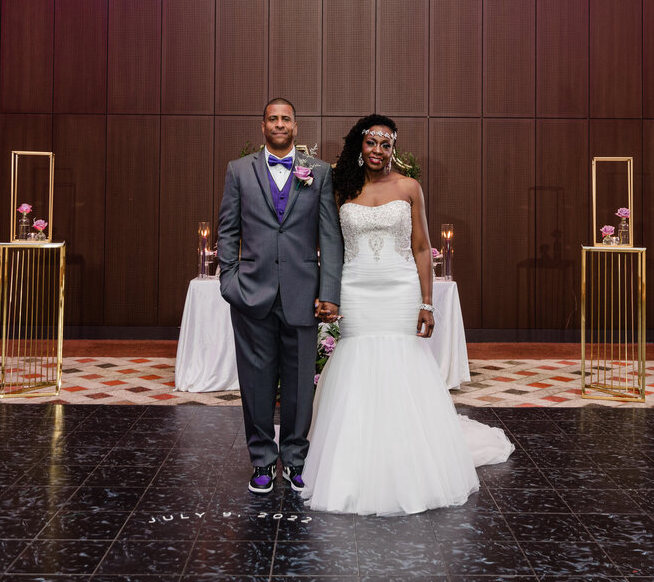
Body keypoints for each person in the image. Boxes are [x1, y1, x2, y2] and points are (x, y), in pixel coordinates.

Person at [301, 114, 513, 516]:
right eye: (371, 143)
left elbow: (420, 247)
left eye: (385, 144)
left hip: (399, 290)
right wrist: (328, 294)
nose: (378, 151)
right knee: (357, 363)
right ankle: (354, 461)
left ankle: (409, 459)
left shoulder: (410, 187)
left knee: (402, 364)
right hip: (356, 289)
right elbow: (330, 245)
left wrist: (426, 302)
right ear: (359, 146)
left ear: (393, 148)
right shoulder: (342, 187)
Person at [217, 98, 343, 494]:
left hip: (303, 295)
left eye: (286, 118)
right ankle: (261, 461)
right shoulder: (239, 171)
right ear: (262, 126)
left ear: (296, 125)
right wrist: (229, 281)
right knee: (255, 381)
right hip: (251, 293)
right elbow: (228, 230)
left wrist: (329, 291)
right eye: (272, 119)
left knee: (300, 382)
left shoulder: (319, 173)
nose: (279, 124)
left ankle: (294, 458)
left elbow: (330, 237)